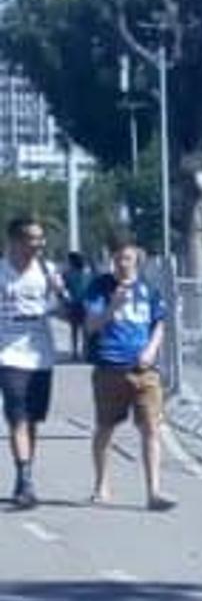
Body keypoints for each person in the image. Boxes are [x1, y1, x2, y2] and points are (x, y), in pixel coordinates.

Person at [83, 239, 172, 510]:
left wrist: (152, 350)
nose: (123, 264)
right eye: (119, 259)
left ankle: (154, 491)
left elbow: (159, 323)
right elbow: (91, 326)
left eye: (128, 259)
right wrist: (112, 306)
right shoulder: (100, 287)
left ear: (137, 261)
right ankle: (101, 484)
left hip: (144, 370)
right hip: (110, 367)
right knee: (106, 428)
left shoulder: (149, 290)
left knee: (151, 428)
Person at [1, 211, 67, 509]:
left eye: (40, 240)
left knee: (33, 420)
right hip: (8, 354)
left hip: (40, 355)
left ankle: (24, 474)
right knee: (18, 416)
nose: (37, 246)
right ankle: (25, 480)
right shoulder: (2, 272)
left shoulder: (46, 269)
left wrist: (59, 292)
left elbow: (67, 312)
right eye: (31, 239)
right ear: (14, 241)